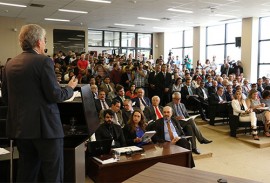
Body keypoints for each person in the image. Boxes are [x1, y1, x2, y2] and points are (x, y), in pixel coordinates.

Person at [1, 24, 78, 182]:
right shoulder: (44, 61)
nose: (45, 43)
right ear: (38, 42)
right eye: (44, 40)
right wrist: (70, 88)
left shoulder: (9, 64)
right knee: (53, 174)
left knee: (27, 173)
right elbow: (55, 95)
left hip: (21, 129)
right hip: (46, 130)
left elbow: (5, 98)